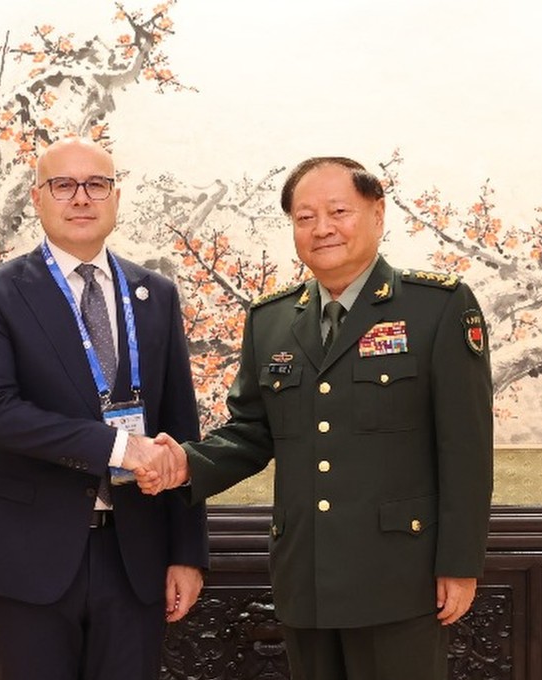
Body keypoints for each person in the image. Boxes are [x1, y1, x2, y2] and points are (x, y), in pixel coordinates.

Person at [140, 156, 493, 680]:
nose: (322, 228)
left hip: (401, 575)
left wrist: (460, 564)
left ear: (377, 213)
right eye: (305, 217)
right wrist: (186, 463)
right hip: (305, 575)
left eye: (338, 212)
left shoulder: (436, 307)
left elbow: (466, 447)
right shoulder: (271, 319)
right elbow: (251, 432)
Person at [0, 136, 209, 680]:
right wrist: (120, 447)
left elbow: (180, 428)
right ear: (37, 198)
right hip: (30, 553)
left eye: (96, 184)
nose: (81, 197)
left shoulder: (156, 294)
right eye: (63, 185)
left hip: (137, 556)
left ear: (115, 197)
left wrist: (188, 552)